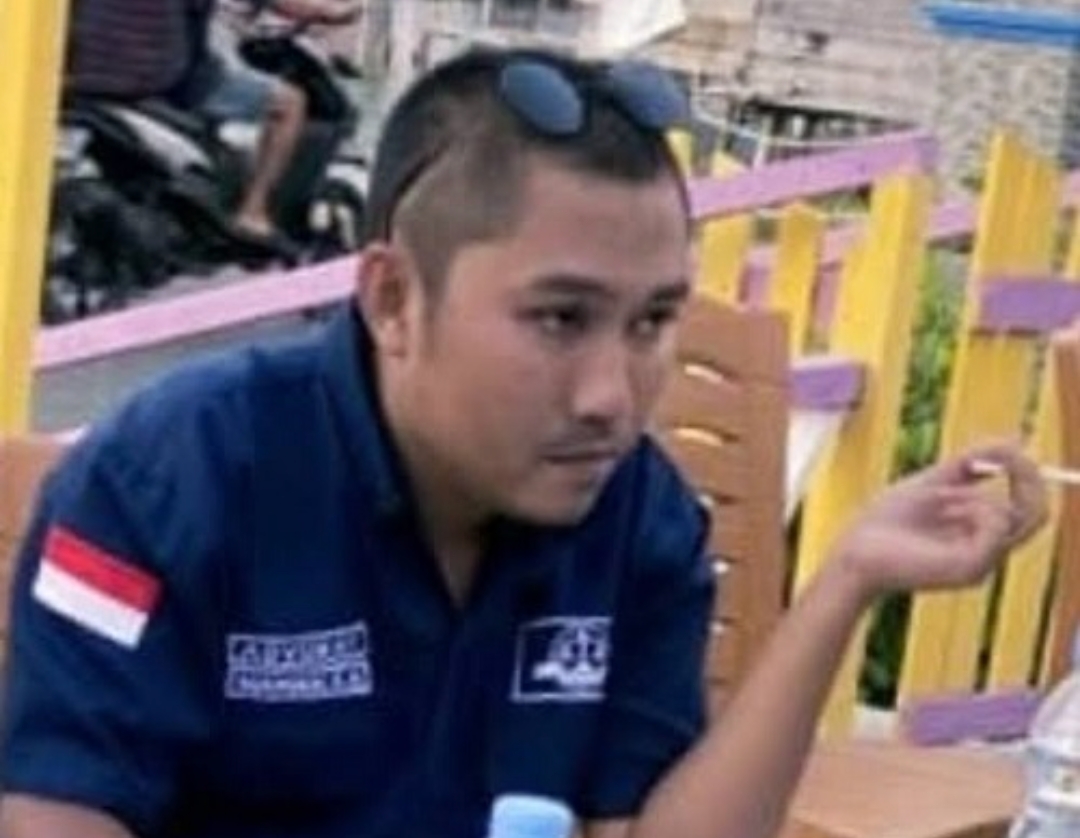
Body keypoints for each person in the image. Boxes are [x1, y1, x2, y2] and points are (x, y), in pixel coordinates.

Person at [0, 47, 1047, 838]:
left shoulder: (638, 513)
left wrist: (847, 580)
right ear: (394, 298)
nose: (610, 396)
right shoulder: (171, 477)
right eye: (559, 318)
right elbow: (57, 808)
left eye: (653, 320)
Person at [65, 0, 363, 242]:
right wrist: (329, 12)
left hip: (80, 80)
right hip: (166, 83)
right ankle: (253, 213)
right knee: (289, 103)